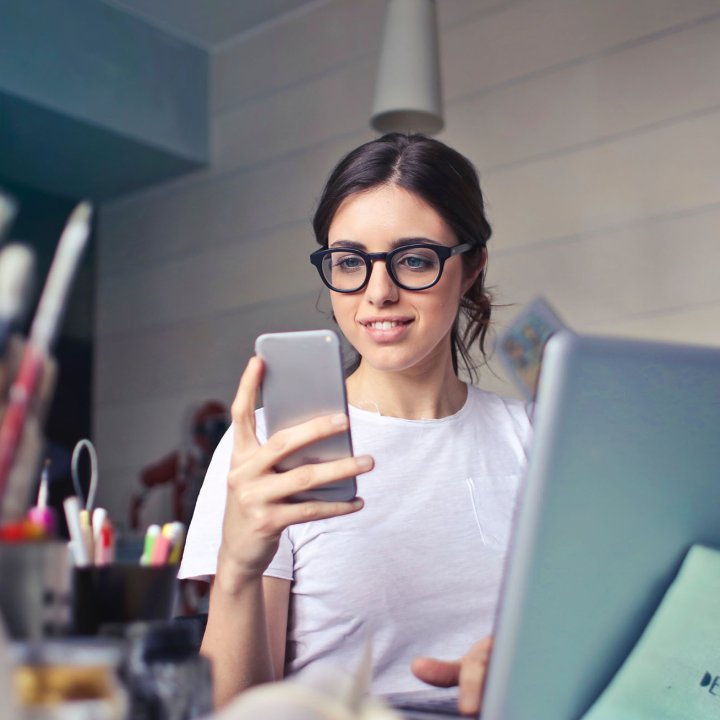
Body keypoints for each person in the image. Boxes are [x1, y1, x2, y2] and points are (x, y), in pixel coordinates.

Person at [179, 133, 531, 716]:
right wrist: (239, 567)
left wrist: (531, 666)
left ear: (471, 268)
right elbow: (234, 709)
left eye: (414, 259)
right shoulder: (272, 448)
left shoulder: (535, 440)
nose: (378, 292)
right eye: (350, 262)